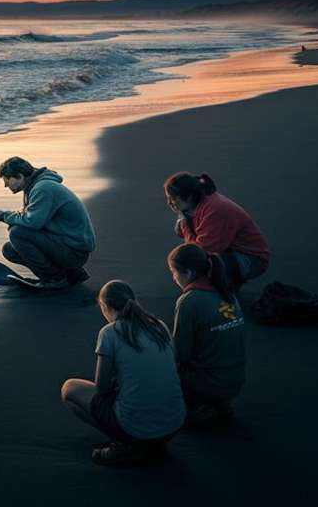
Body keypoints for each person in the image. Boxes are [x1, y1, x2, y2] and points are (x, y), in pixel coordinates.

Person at [61, 280, 185, 466]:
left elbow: (102, 389)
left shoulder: (109, 333)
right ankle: (151, 443)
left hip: (139, 430)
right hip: (174, 424)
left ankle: (126, 443)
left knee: (69, 388)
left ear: (106, 308)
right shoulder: (159, 325)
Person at [0, 156, 94, 289]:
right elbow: (29, 218)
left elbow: (33, 222)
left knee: (17, 233)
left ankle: (55, 279)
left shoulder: (43, 188)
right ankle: (72, 274)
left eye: (7, 180)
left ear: (19, 176)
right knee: (9, 249)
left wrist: (4, 215)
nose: (5, 185)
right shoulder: (36, 187)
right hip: (66, 246)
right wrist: (3, 216)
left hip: (74, 252)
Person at [167, 243, 246, 428]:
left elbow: (180, 354)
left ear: (188, 273)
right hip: (235, 379)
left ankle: (199, 407)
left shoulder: (189, 301)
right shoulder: (227, 292)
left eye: (174, 272)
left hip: (208, 383)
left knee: (161, 362)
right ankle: (218, 404)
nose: (173, 278)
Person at [164, 172, 270, 291]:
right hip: (227, 252)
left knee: (204, 270)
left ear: (189, 196)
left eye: (172, 198)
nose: (169, 203)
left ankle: (221, 302)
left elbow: (200, 251)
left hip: (250, 257)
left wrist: (184, 223)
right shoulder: (195, 206)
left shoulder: (214, 210)